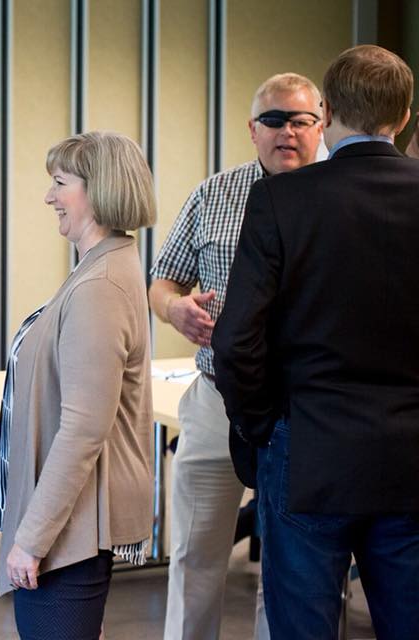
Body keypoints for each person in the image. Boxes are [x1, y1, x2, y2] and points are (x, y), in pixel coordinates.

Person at [213, 45, 419, 640]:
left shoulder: (282, 198)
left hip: (307, 448)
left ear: (325, 115)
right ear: (403, 116)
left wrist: (262, 424)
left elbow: (236, 341)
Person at [149, 72, 322, 640]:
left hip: (304, 409)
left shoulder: (336, 198)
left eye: (301, 120)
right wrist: (177, 311)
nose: (287, 132)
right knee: (196, 555)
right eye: (274, 120)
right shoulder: (214, 194)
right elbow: (162, 282)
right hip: (217, 402)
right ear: (252, 129)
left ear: (321, 126)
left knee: (291, 566)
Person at [0, 131, 155, 638]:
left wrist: (32, 538)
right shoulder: (102, 266)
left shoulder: (99, 287)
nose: (48, 197)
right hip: (74, 522)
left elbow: (84, 429)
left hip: (73, 529)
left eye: (59, 183)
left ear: (99, 190)